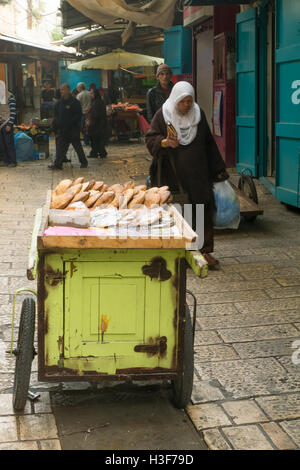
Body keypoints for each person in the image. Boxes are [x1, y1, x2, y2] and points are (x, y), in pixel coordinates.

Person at [145, 81, 229, 269]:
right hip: (172, 174)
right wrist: (165, 142)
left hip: (198, 174)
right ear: (175, 99)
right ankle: (177, 253)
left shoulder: (198, 115)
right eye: (183, 102)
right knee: (176, 213)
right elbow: (150, 138)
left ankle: (203, 251)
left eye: (190, 101)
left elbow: (209, 143)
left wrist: (218, 170)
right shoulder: (163, 115)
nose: (187, 105)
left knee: (201, 210)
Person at [48, 83, 88, 170]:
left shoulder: (74, 101)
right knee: (61, 147)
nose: (61, 91)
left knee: (77, 146)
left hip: (73, 130)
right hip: (62, 130)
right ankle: (58, 164)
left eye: (63, 89)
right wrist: (56, 126)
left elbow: (78, 115)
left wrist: (72, 124)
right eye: (61, 89)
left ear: (68, 90)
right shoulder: (59, 103)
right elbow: (56, 115)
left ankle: (84, 162)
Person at [85, 89, 107, 159]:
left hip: (96, 124)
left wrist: (90, 116)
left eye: (92, 93)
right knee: (97, 139)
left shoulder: (97, 102)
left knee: (95, 139)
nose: (90, 95)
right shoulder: (98, 101)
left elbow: (96, 114)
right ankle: (100, 152)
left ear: (95, 94)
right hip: (98, 123)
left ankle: (97, 152)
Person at [0, 82, 17, 168]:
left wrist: (9, 124)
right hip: (1, 124)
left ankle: (12, 161)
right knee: (2, 144)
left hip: (7, 123)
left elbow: (13, 112)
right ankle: (5, 160)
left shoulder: (10, 97)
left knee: (9, 143)